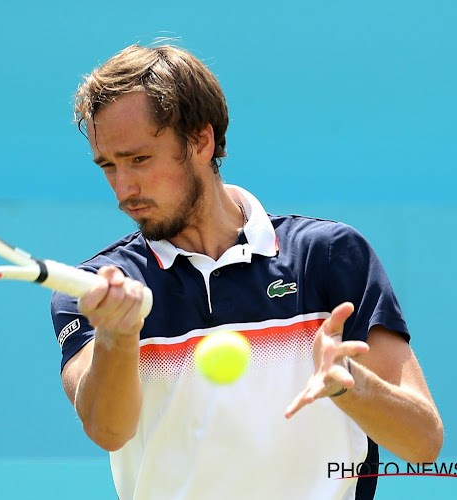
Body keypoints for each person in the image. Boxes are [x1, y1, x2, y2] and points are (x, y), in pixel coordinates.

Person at [49, 43, 443, 500]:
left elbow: (423, 444)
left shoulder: (330, 257)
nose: (123, 188)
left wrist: (352, 389)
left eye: (139, 160)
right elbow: (106, 429)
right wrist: (118, 335)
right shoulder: (100, 287)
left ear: (201, 141)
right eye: (108, 166)